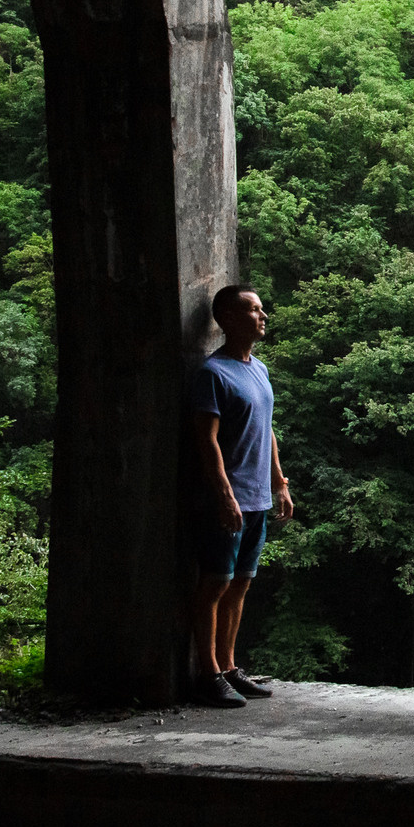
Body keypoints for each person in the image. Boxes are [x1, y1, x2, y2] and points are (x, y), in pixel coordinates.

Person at [186, 283, 293, 708]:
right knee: (215, 583)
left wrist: (279, 483)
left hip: (257, 499)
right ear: (228, 319)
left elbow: (266, 429)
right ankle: (209, 674)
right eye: (253, 310)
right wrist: (224, 495)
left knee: (242, 584)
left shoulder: (259, 369)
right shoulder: (213, 374)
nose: (262, 316)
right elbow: (206, 441)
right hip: (227, 502)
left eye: (261, 309)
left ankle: (230, 668)